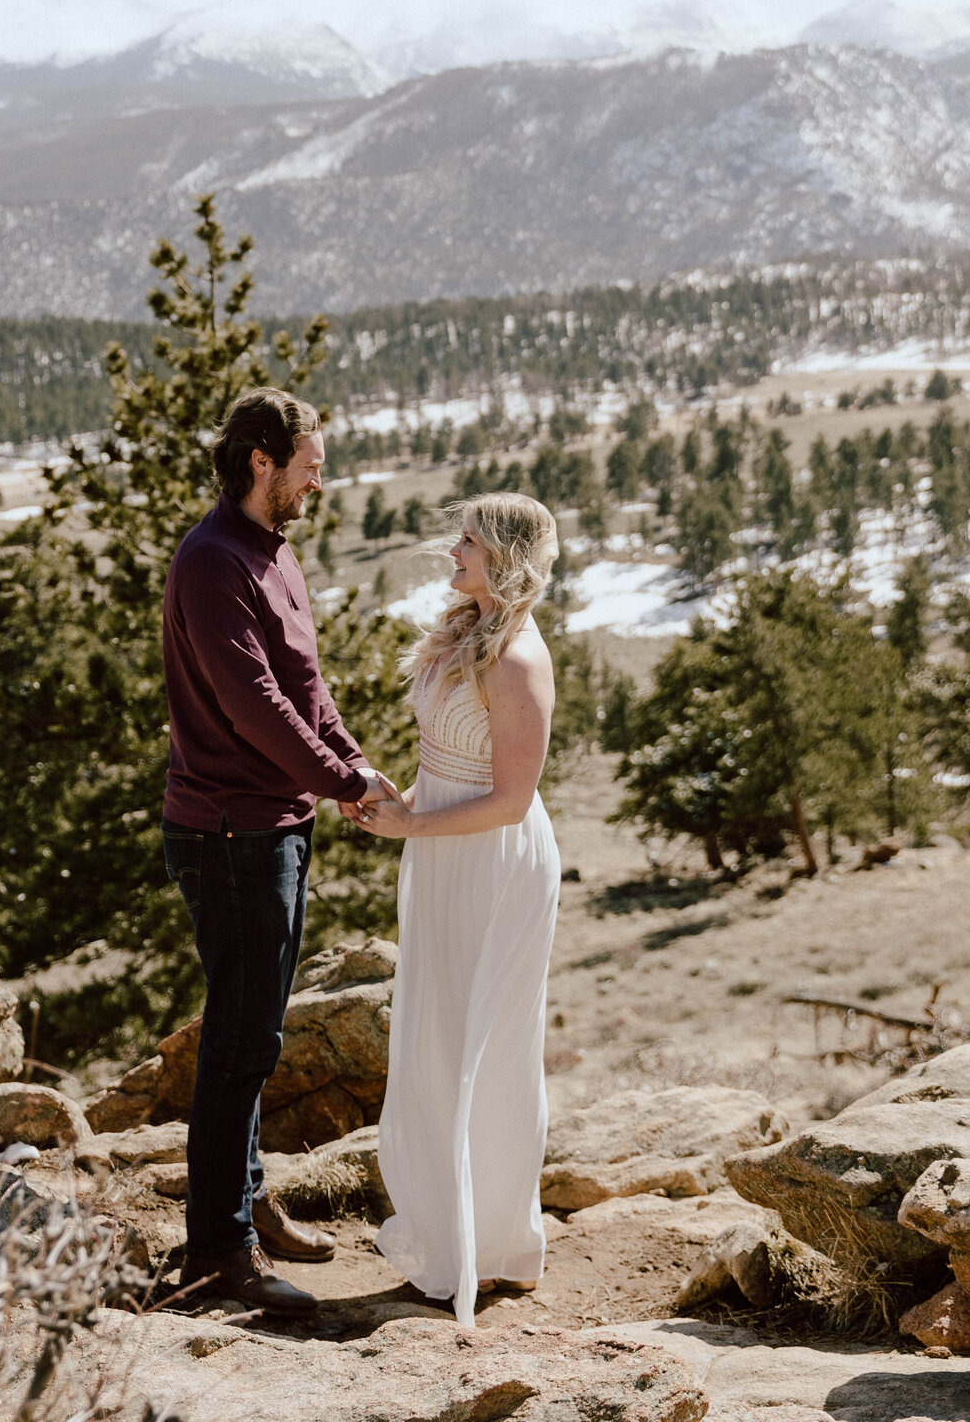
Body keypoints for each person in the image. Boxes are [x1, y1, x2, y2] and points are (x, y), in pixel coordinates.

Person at [161, 387, 392, 1316]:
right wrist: (341, 785)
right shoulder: (213, 563)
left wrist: (354, 766)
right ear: (262, 461)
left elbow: (306, 687)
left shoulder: (272, 553)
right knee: (239, 1040)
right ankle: (217, 1254)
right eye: (311, 464)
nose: (319, 482)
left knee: (254, 1031)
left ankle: (249, 1205)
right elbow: (255, 704)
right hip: (228, 834)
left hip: (273, 827)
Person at [356, 492, 561, 1326]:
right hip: (440, 850)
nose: (454, 550)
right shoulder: (461, 631)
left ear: (506, 554)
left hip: (493, 865)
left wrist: (412, 822)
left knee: (488, 1047)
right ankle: (446, 1236)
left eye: (469, 541)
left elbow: (511, 799)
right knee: (435, 1036)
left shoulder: (517, 659)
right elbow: (448, 758)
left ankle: (498, 1243)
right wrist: (396, 798)